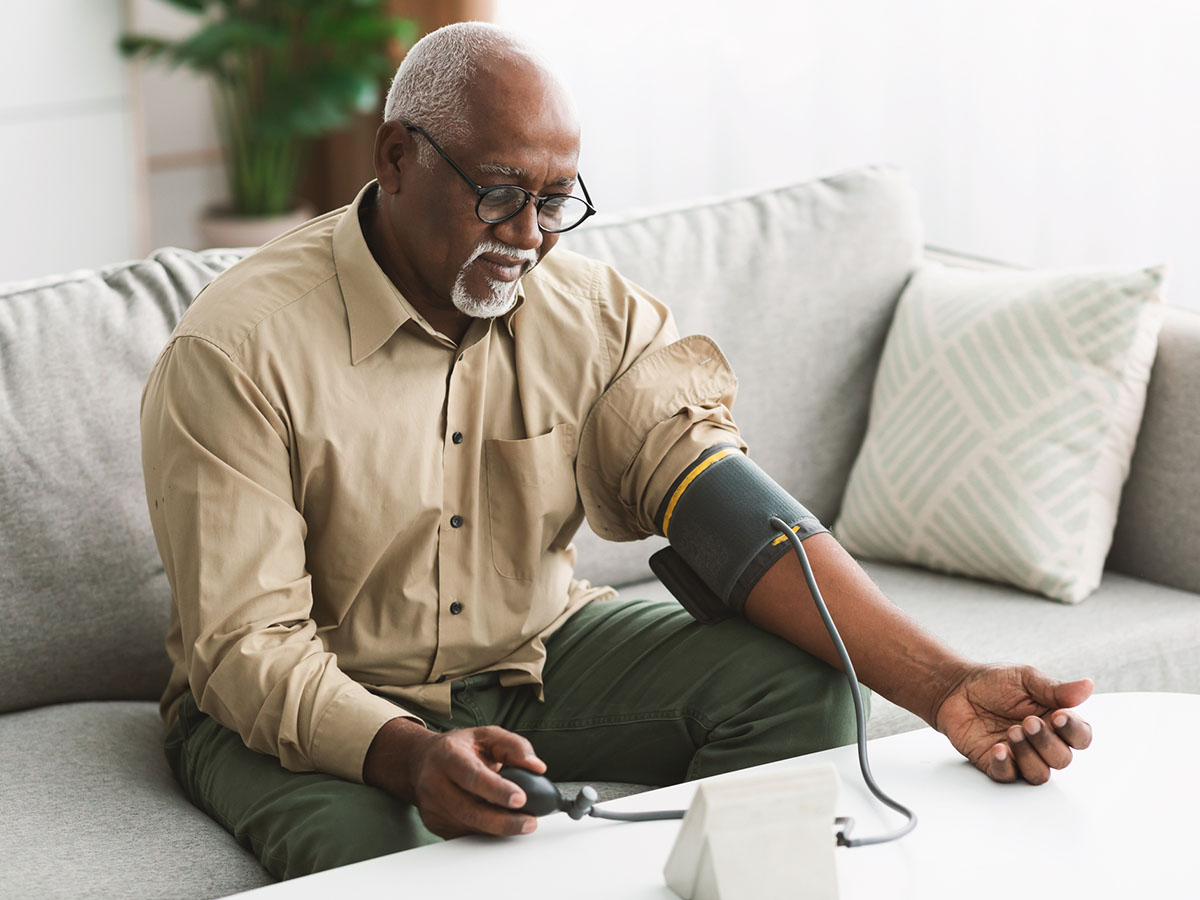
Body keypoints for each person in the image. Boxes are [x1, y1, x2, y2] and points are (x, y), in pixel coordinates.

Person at [140, 22, 1093, 881]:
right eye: (500, 193)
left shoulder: (591, 313)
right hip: (299, 701)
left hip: (530, 654)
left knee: (806, 693)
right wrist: (407, 754)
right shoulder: (236, 351)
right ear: (396, 156)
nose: (527, 237)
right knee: (390, 861)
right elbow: (244, 649)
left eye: (556, 202)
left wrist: (945, 686)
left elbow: (729, 514)